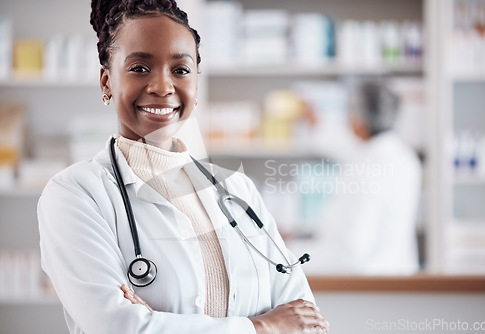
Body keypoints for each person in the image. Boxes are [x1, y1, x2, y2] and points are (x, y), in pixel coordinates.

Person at [37, 1, 329, 333]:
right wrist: (264, 327)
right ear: (106, 82)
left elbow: (306, 320)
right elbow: (116, 327)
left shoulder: (237, 190)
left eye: (180, 70)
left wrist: (161, 323)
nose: (162, 87)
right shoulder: (76, 194)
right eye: (140, 68)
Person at [297, 79, 422, 275]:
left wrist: (290, 256)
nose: (346, 118)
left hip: (369, 277)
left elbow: (353, 247)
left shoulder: (367, 167)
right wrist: (316, 124)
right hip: (397, 270)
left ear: (359, 120)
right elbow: (344, 147)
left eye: (349, 111)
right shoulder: (402, 156)